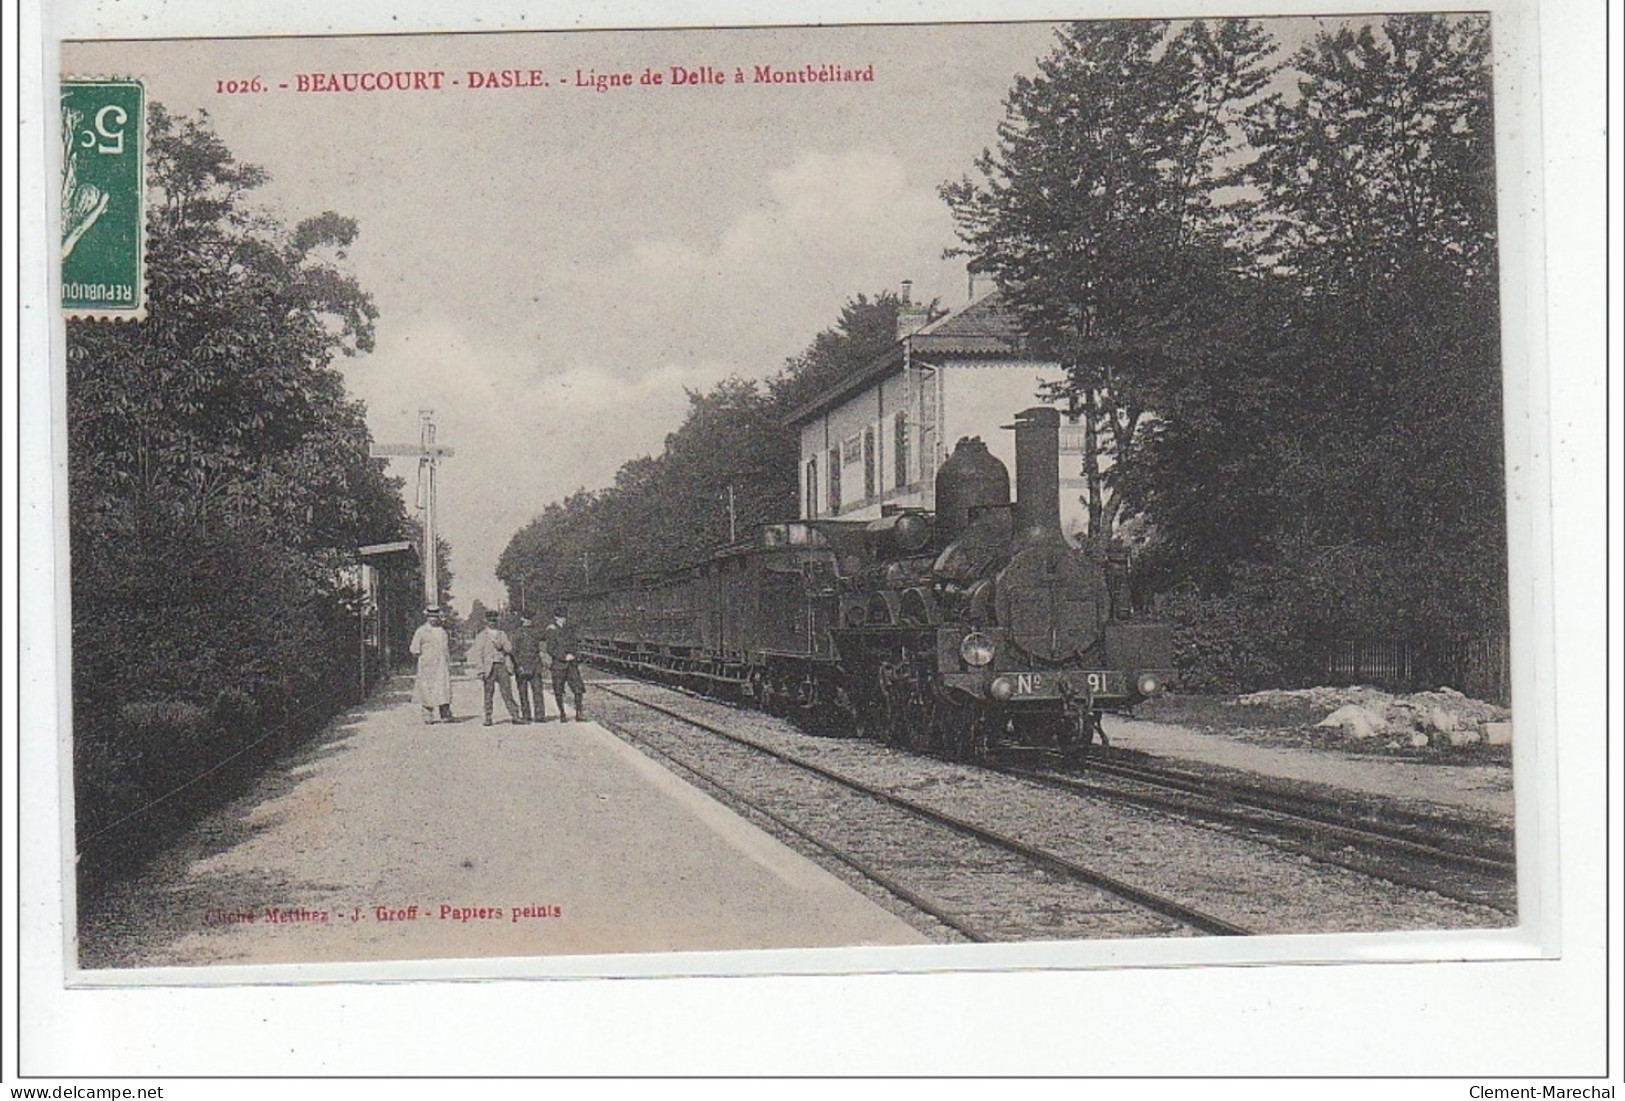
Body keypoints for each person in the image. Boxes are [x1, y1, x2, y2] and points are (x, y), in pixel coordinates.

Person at [469, 613, 521, 725]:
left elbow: (509, 649)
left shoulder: (502, 634)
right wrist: (480, 670)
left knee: (507, 692)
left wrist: (502, 645)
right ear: (486, 621)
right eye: (490, 620)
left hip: (502, 665)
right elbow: (478, 654)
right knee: (488, 694)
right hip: (489, 668)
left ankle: (515, 715)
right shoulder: (481, 635)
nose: (492, 622)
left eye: (494, 620)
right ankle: (488, 717)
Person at [408, 608, 453, 723]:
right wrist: (423, 659)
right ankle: (427, 713)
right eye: (430, 616)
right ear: (427, 617)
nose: (433, 618)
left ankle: (445, 712)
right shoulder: (421, 631)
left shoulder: (442, 631)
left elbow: (446, 648)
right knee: (427, 688)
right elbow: (414, 649)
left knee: (443, 687)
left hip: (442, 665)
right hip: (427, 665)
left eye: (435, 616)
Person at [543, 606, 586, 722]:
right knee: (558, 690)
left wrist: (574, 655)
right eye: (561, 617)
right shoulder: (551, 630)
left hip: (571, 665)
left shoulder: (569, 629)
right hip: (558, 665)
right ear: (556, 618)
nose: (563, 619)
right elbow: (550, 649)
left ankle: (579, 713)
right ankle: (562, 714)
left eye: (564, 617)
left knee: (578, 688)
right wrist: (563, 657)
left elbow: (575, 644)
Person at [511, 612, 546, 723]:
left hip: (535, 664)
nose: (528, 621)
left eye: (530, 619)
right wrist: (518, 665)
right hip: (522, 665)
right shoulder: (518, 633)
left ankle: (539, 716)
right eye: (526, 618)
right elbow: (514, 652)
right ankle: (526, 715)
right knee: (523, 692)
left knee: (538, 691)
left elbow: (544, 638)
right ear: (522, 619)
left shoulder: (535, 631)